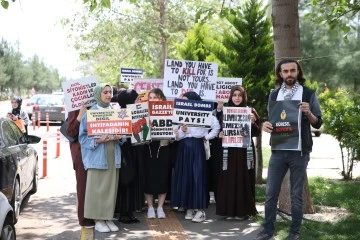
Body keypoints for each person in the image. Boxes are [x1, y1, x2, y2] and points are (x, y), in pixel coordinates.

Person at [254, 59, 322, 240]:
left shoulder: (308, 93)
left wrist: (309, 113)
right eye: (286, 71)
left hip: (299, 151)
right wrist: (266, 125)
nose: (289, 74)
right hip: (278, 150)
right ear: (280, 74)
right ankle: (268, 230)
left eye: (293, 70)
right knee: (270, 193)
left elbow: (318, 122)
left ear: (298, 72)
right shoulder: (274, 94)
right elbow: (272, 120)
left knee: (296, 194)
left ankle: (294, 233)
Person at [171, 91, 220, 223]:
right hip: (183, 148)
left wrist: (206, 137)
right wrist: (182, 130)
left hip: (198, 147)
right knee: (185, 176)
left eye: (186, 100)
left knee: (198, 176)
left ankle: (200, 210)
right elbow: (176, 136)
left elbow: (216, 127)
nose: (184, 103)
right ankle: (189, 207)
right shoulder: (180, 113)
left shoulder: (205, 112)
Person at [79, 84, 122, 233]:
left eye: (110, 92)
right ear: (98, 94)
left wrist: (120, 137)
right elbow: (82, 139)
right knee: (97, 189)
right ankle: (98, 220)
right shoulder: (90, 114)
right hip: (97, 157)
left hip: (113, 156)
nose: (109, 95)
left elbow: (123, 135)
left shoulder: (115, 112)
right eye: (105, 92)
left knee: (110, 189)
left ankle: (107, 217)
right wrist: (98, 140)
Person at [216, 85, 261, 220]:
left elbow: (257, 132)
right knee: (229, 178)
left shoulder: (250, 111)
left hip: (244, 151)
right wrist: (221, 134)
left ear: (244, 97)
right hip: (229, 151)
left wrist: (253, 122)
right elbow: (219, 129)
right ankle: (229, 211)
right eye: (234, 95)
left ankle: (242, 211)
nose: (237, 98)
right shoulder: (226, 111)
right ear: (231, 96)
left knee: (243, 177)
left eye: (239, 95)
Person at [112, 89, 145, 224]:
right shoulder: (120, 114)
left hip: (135, 151)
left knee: (134, 181)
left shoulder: (138, 113)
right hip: (126, 152)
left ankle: (130, 211)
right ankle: (123, 212)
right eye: (136, 100)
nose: (139, 102)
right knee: (126, 181)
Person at [66, 104, 95, 238]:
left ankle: (96, 215)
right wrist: (79, 116)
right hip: (81, 154)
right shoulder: (75, 109)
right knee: (83, 187)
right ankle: (84, 219)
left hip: (96, 152)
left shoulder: (96, 107)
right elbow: (70, 132)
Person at [144, 88, 171, 219]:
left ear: (161, 98)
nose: (152, 100)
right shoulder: (144, 112)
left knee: (163, 177)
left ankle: (160, 207)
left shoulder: (169, 111)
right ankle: (150, 207)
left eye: (155, 97)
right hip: (149, 148)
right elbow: (138, 132)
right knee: (148, 177)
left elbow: (174, 132)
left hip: (164, 147)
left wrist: (175, 133)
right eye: (150, 97)